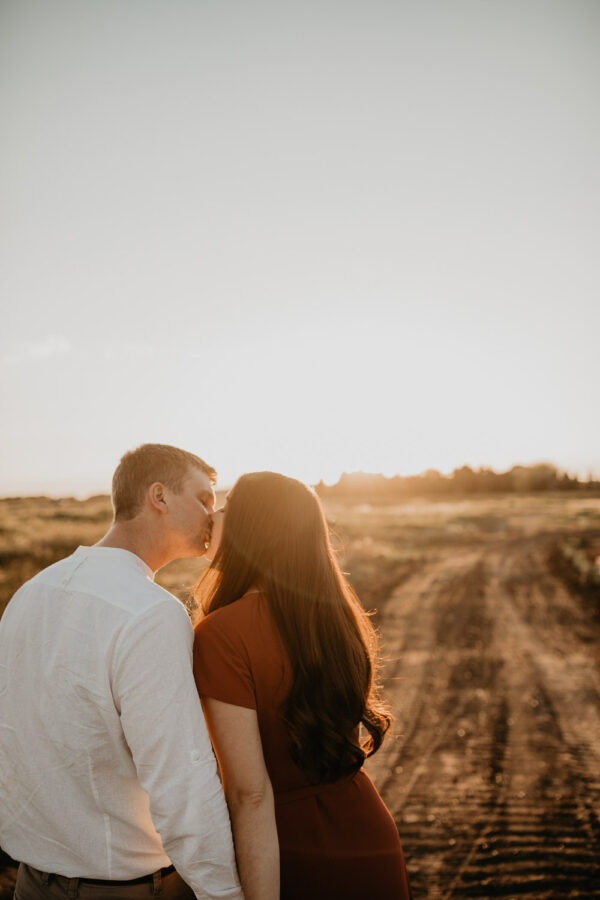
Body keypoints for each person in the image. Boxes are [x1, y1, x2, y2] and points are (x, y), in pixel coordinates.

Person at [0, 444, 244, 900]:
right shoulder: (151, 613)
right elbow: (181, 779)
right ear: (159, 496)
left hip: (31, 883)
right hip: (125, 887)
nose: (213, 515)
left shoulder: (28, 595)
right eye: (204, 498)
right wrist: (225, 893)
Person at [193, 471, 413, 900]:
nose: (212, 517)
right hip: (368, 835)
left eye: (225, 508)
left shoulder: (221, 634)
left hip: (286, 850)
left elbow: (249, 794)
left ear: (251, 527)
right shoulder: (332, 617)